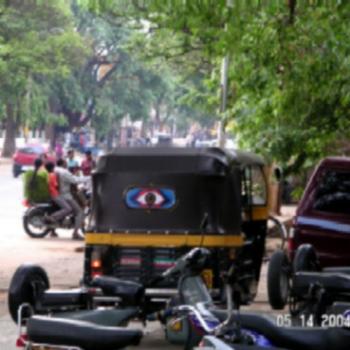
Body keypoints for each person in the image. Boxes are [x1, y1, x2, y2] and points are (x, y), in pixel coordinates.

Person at [55, 158, 86, 240]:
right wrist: (88, 178)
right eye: (65, 162)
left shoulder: (56, 169)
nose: (67, 164)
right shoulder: (64, 172)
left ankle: (53, 230)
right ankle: (75, 233)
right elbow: (75, 180)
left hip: (59, 193)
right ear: (62, 163)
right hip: (65, 195)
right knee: (79, 211)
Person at [45, 162, 72, 237]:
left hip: (52, 195)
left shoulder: (48, 175)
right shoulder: (53, 175)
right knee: (68, 209)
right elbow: (57, 186)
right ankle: (52, 217)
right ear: (51, 168)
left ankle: (53, 227)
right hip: (55, 195)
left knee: (60, 209)